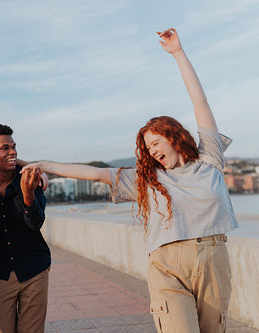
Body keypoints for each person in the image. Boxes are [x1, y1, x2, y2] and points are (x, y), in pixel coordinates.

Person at [22, 28, 238, 333]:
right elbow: (95, 173)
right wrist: (44, 164)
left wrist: (178, 53)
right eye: (147, 148)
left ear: (173, 137)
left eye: (155, 143)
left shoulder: (209, 160)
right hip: (167, 268)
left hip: (214, 262)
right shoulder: (146, 180)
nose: (151, 151)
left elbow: (200, 101)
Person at [0, 124, 50, 333]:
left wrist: (28, 195)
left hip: (35, 268)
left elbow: (36, 222)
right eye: (5, 148)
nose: (13, 151)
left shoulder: (31, 180)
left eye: (13, 146)